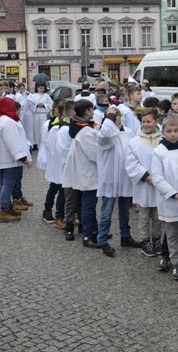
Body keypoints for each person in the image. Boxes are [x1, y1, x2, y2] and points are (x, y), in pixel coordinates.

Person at [151, 114, 178, 280]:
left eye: (176, 131)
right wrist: (174, 193)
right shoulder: (158, 152)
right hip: (170, 200)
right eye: (169, 131)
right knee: (172, 233)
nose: (173, 134)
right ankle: (176, 262)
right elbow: (157, 178)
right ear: (163, 132)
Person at [96, 105, 142, 256]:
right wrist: (108, 117)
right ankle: (102, 239)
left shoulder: (128, 132)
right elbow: (105, 135)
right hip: (110, 177)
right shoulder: (104, 134)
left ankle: (125, 236)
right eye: (112, 117)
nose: (115, 119)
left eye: (116, 116)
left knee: (125, 210)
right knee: (107, 211)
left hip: (125, 177)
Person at [61, 99, 100, 246]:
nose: (93, 112)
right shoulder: (84, 130)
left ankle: (92, 230)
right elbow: (95, 153)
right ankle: (87, 234)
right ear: (87, 111)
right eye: (91, 109)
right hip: (84, 171)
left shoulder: (85, 128)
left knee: (85, 202)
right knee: (85, 202)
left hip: (81, 170)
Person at [126, 108, 163, 256]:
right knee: (144, 215)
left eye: (149, 121)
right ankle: (144, 241)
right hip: (144, 184)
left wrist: (159, 177)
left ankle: (157, 239)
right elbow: (131, 163)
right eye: (144, 122)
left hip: (159, 183)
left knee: (157, 215)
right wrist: (146, 176)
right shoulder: (134, 142)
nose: (146, 124)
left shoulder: (163, 139)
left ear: (156, 121)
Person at [0, 97, 31, 223]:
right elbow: (13, 141)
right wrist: (22, 157)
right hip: (8, 157)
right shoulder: (8, 122)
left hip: (0, 156)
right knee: (8, 183)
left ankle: (6, 206)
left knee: (2, 182)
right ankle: (4, 209)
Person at [41, 99, 70, 229]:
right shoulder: (52, 125)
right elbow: (49, 144)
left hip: (60, 163)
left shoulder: (64, 125)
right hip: (57, 162)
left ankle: (63, 213)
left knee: (57, 187)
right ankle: (50, 211)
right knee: (57, 188)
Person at [27, 83, 52, 148]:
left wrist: (44, 105)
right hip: (36, 115)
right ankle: (38, 144)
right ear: (37, 88)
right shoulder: (33, 96)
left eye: (43, 88)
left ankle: (44, 144)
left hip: (43, 115)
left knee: (43, 129)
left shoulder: (46, 96)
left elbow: (51, 105)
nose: (41, 89)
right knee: (37, 130)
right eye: (40, 88)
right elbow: (31, 105)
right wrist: (37, 105)